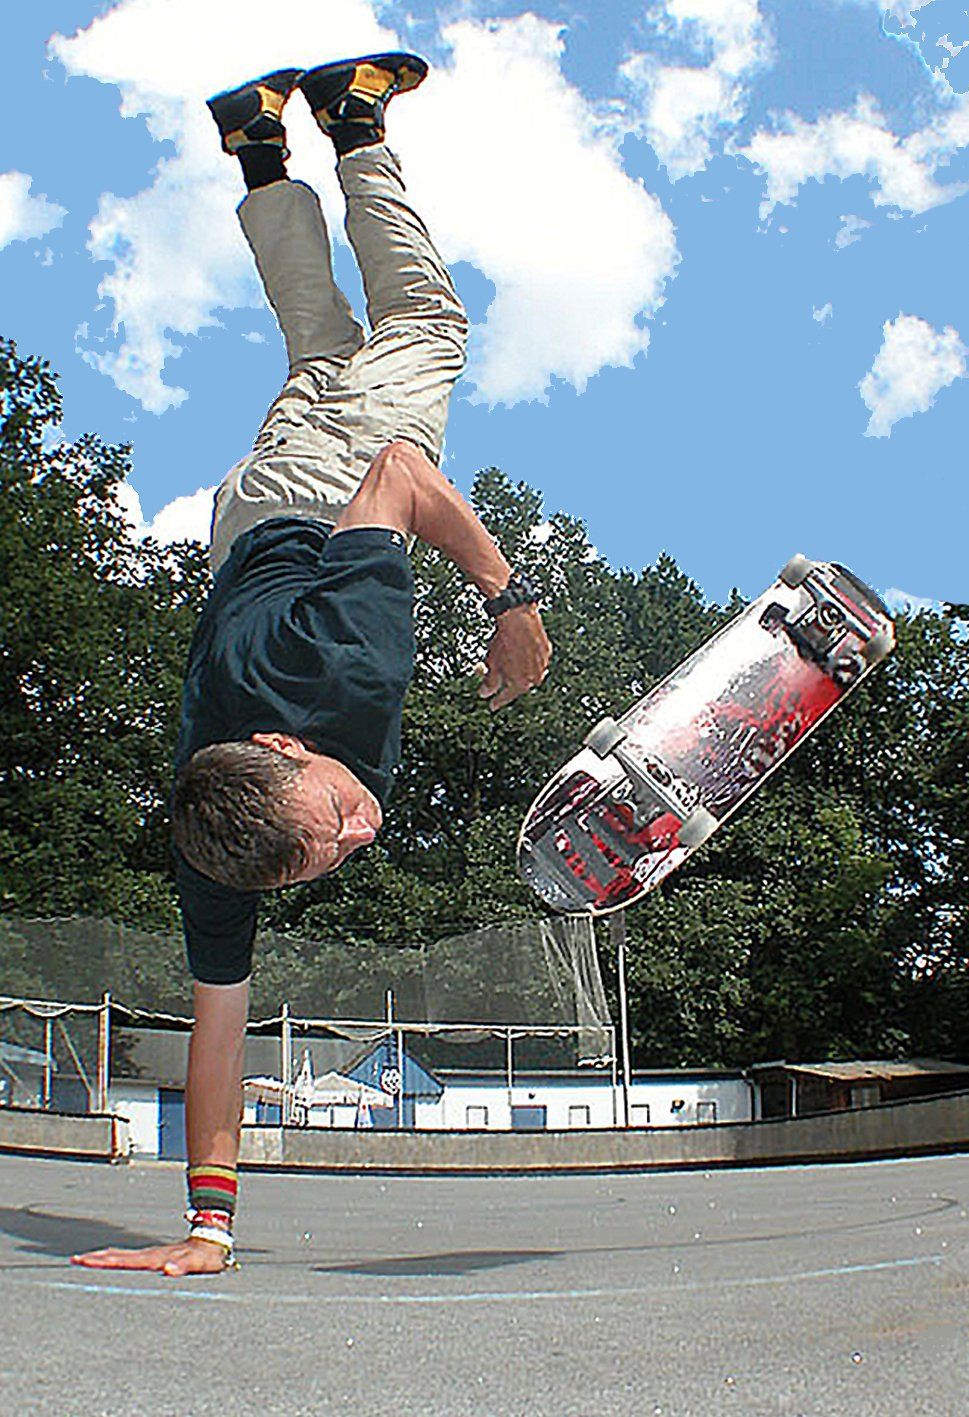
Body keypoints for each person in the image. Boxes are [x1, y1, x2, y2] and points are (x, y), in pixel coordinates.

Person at [72, 54, 551, 1276]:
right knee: (320, 339)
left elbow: (399, 477)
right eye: (330, 851)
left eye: (336, 811)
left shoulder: (343, 672)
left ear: (287, 745)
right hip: (246, 520)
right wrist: (207, 1223)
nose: (358, 832)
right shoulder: (220, 837)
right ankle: (257, 148)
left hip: (327, 485)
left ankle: (356, 125)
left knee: (424, 331)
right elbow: (217, 1026)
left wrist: (509, 598)